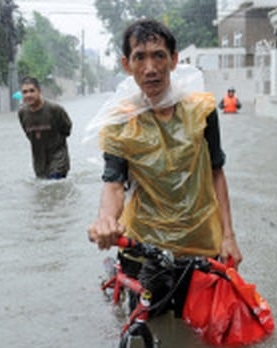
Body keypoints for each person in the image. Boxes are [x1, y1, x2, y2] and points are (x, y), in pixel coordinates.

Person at [87, 18, 242, 317]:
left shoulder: (202, 111)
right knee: (146, 328)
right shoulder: (121, 122)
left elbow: (215, 173)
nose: (150, 68)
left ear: (173, 60)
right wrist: (106, 219)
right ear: (126, 64)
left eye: (159, 55)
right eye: (139, 57)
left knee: (202, 331)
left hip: (200, 244)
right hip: (145, 246)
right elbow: (114, 184)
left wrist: (228, 236)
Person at [17, 77, 72, 179]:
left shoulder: (55, 109)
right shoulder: (22, 113)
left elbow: (67, 129)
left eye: (32, 91)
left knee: (54, 186)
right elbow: (29, 135)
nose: (28, 95)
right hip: (39, 163)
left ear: (39, 91)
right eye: (25, 92)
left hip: (59, 161)